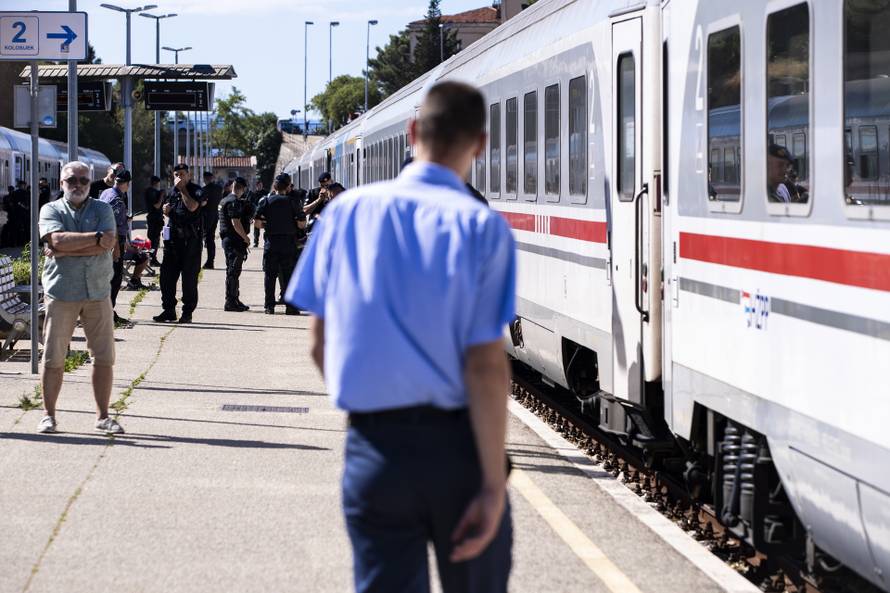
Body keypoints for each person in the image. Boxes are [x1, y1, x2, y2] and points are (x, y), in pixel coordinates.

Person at [286, 81, 515, 593]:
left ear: (413, 132)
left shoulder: (345, 214)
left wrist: (374, 409)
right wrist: (492, 484)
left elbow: (319, 343)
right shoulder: (482, 227)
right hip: (458, 452)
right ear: (479, 144)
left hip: (375, 450)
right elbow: (484, 367)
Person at [36, 161, 123, 435]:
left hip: (98, 292)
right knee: (53, 357)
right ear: (61, 183)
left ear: (91, 182)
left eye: (83, 180)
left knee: (104, 356)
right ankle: (48, 416)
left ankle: (103, 416)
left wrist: (64, 249)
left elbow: (109, 242)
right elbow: (57, 240)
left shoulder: (103, 208)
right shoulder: (50, 209)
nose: (78, 185)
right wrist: (92, 241)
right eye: (71, 180)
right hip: (62, 292)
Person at [153, 164, 206, 324]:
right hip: (173, 242)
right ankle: (169, 310)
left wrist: (183, 189)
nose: (179, 177)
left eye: (182, 174)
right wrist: (166, 210)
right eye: (176, 174)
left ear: (188, 175)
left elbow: (192, 206)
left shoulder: (196, 190)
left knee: (189, 280)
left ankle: (187, 312)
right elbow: (172, 211)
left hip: (190, 242)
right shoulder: (173, 191)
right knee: (166, 278)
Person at [254, 173, 304, 315]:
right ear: (288, 187)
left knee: (270, 276)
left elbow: (257, 223)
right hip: (288, 244)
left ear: (274, 187)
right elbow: (301, 224)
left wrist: (269, 225)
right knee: (288, 275)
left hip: (271, 243)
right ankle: (290, 307)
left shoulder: (265, 201)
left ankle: (269, 306)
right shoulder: (293, 202)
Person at [99, 169, 133, 324]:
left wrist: (124, 219)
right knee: (115, 279)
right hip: (113, 242)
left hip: (103, 241)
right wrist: (117, 248)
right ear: (127, 184)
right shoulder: (117, 200)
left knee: (108, 278)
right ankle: (108, 313)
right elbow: (112, 225)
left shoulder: (106, 193)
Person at [218, 177, 254, 312]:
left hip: (229, 240)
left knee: (233, 271)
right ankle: (230, 302)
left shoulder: (224, 200)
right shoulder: (233, 202)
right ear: (242, 188)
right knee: (233, 271)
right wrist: (246, 238)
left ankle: (234, 299)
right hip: (234, 240)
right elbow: (235, 223)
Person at [201, 171, 223, 269]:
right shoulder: (219, 189)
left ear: (205, 179)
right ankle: (211, 261)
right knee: (211, 239)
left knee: (205, 238)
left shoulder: (204, 190)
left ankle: (208, 261)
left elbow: (202, 203)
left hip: (206, 216)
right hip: (215, 215)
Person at [144, 175, 164, 266]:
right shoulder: (151, 192)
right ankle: (152, 259)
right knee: (153, 240)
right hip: (154, 219)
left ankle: (152, 258)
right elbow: (157, 206)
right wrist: (161, 196)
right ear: (156, 183)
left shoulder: (153, 192)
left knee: (155, 240)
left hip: (156, 219)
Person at [248, 180, 267, 247]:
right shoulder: (253, 194)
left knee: (266, 228)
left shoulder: (266, 193)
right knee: (256, 229)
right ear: (256, 186)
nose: (260, 186)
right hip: (257, 213)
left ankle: (266, 242)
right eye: (258, 185)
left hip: (264, 213)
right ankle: (256, 242)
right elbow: (251, 204)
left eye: (261, 185)